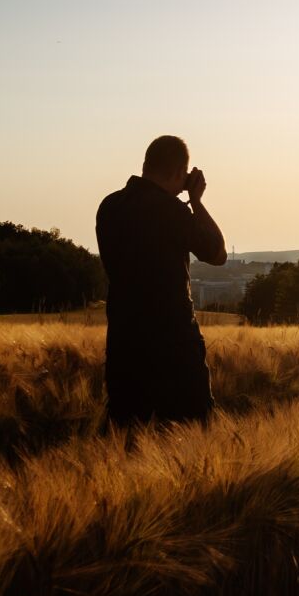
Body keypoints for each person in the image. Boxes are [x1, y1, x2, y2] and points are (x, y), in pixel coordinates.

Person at [96, 135, 228, 429]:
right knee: (194, 431)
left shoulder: (109, 207)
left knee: (127, 437)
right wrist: (196, 201)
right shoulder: (172, 212)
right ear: (182, 173)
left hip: (123, 345)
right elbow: (218, 253)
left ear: (145, 165)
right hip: (174, 346)